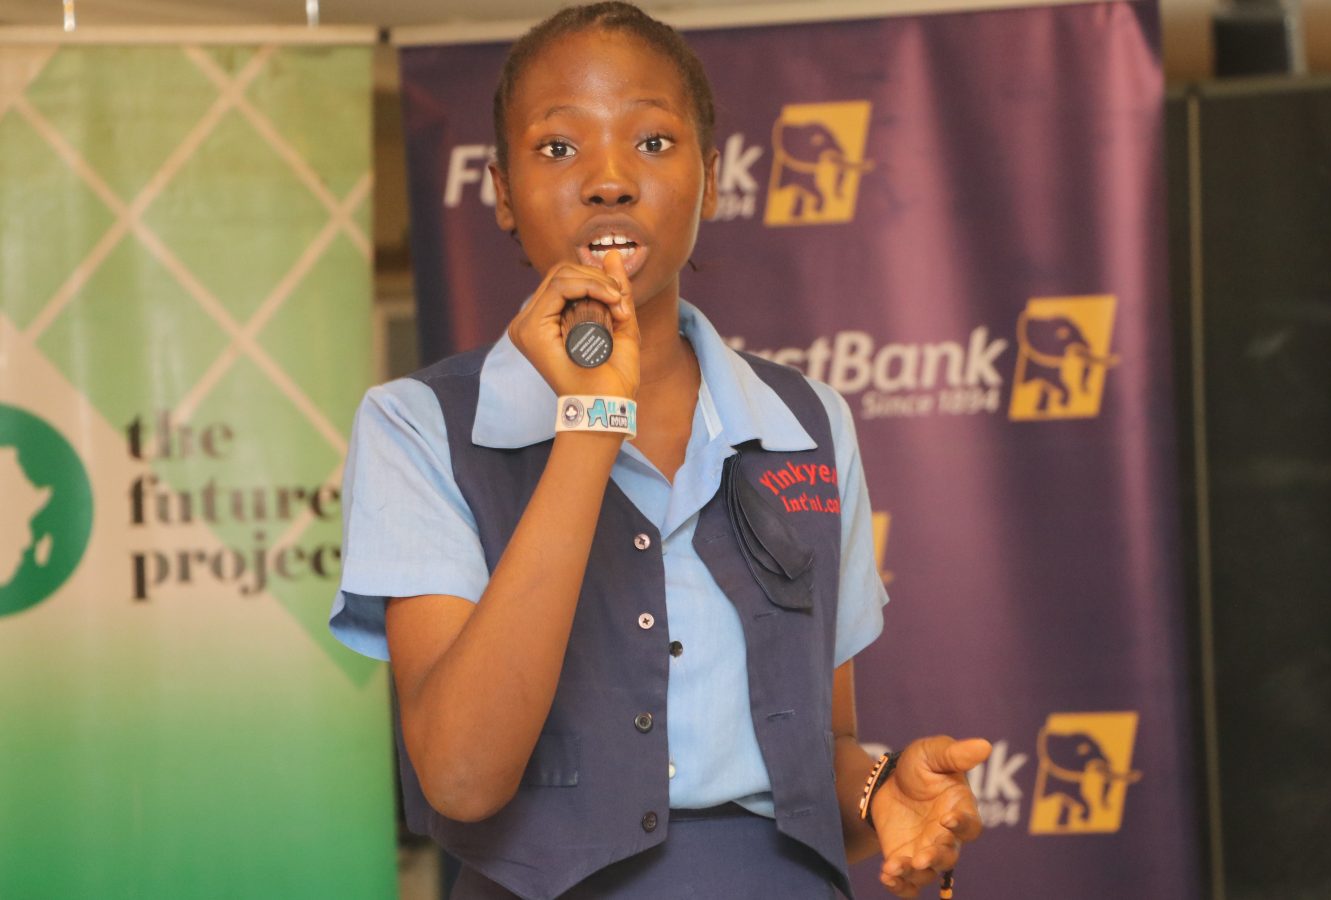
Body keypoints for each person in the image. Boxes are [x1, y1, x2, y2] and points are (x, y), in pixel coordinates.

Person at [330, 4, 990, 897]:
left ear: (710, 181)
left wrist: (883, 795)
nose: (609, 180)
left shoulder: (806, 421)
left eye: (652, 142)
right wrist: (590, 425)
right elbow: (461, 776)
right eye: (558, 147)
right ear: (502, 193)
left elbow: (819, 753)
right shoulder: (418, 426)